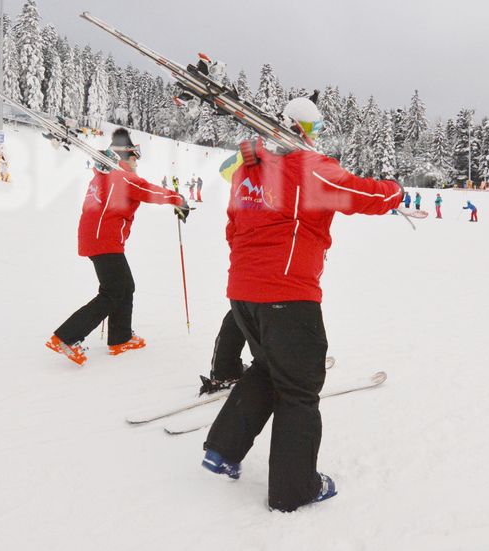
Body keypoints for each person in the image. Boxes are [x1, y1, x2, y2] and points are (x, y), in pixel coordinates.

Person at [202, 97, 403, 513]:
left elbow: (232, 225)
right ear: (301, 129)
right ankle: (294, 489)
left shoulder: (246, 170)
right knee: (298, 389)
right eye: (313, 129)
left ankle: (222, 449)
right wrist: (395, 191)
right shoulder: (308, 166)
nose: (314, 137)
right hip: (287, 295)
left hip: (244, 292)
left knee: (267, 368)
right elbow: (361, 193)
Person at [46, 128, 190, 365]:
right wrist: (178, 199)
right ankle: (66, 337)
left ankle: (121, 338)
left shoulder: (102, 176)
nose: (137, 164)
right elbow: (148, 190)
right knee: (112, 292)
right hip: (105, 240)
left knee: (125, 287)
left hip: (98, 238)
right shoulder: (122, 177)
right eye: (135, 158)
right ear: (124, 157)